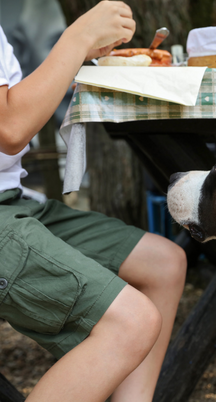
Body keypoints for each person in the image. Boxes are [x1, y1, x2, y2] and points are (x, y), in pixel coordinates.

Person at [0, 2, 187, 402]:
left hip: (13, 198)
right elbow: (10, 127)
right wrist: (77, 37)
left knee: (163, 264)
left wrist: (76, 57)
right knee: (132, 323)